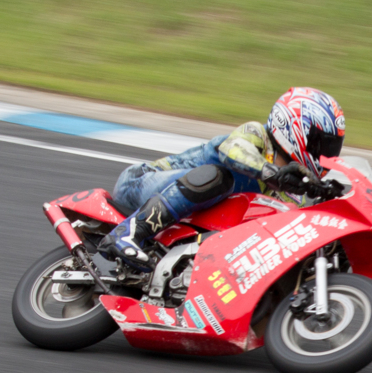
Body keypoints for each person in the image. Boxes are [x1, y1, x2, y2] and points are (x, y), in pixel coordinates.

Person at [100, 87, 346, 270]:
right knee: (220, 176)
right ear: (294, 127)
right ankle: (128, 232)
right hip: (142, 182)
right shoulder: (257, 134)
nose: (326, 153)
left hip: (188, 223)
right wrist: (272, 174)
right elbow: (233, 151)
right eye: (320, 143)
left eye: (332, 147)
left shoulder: (293, 192)